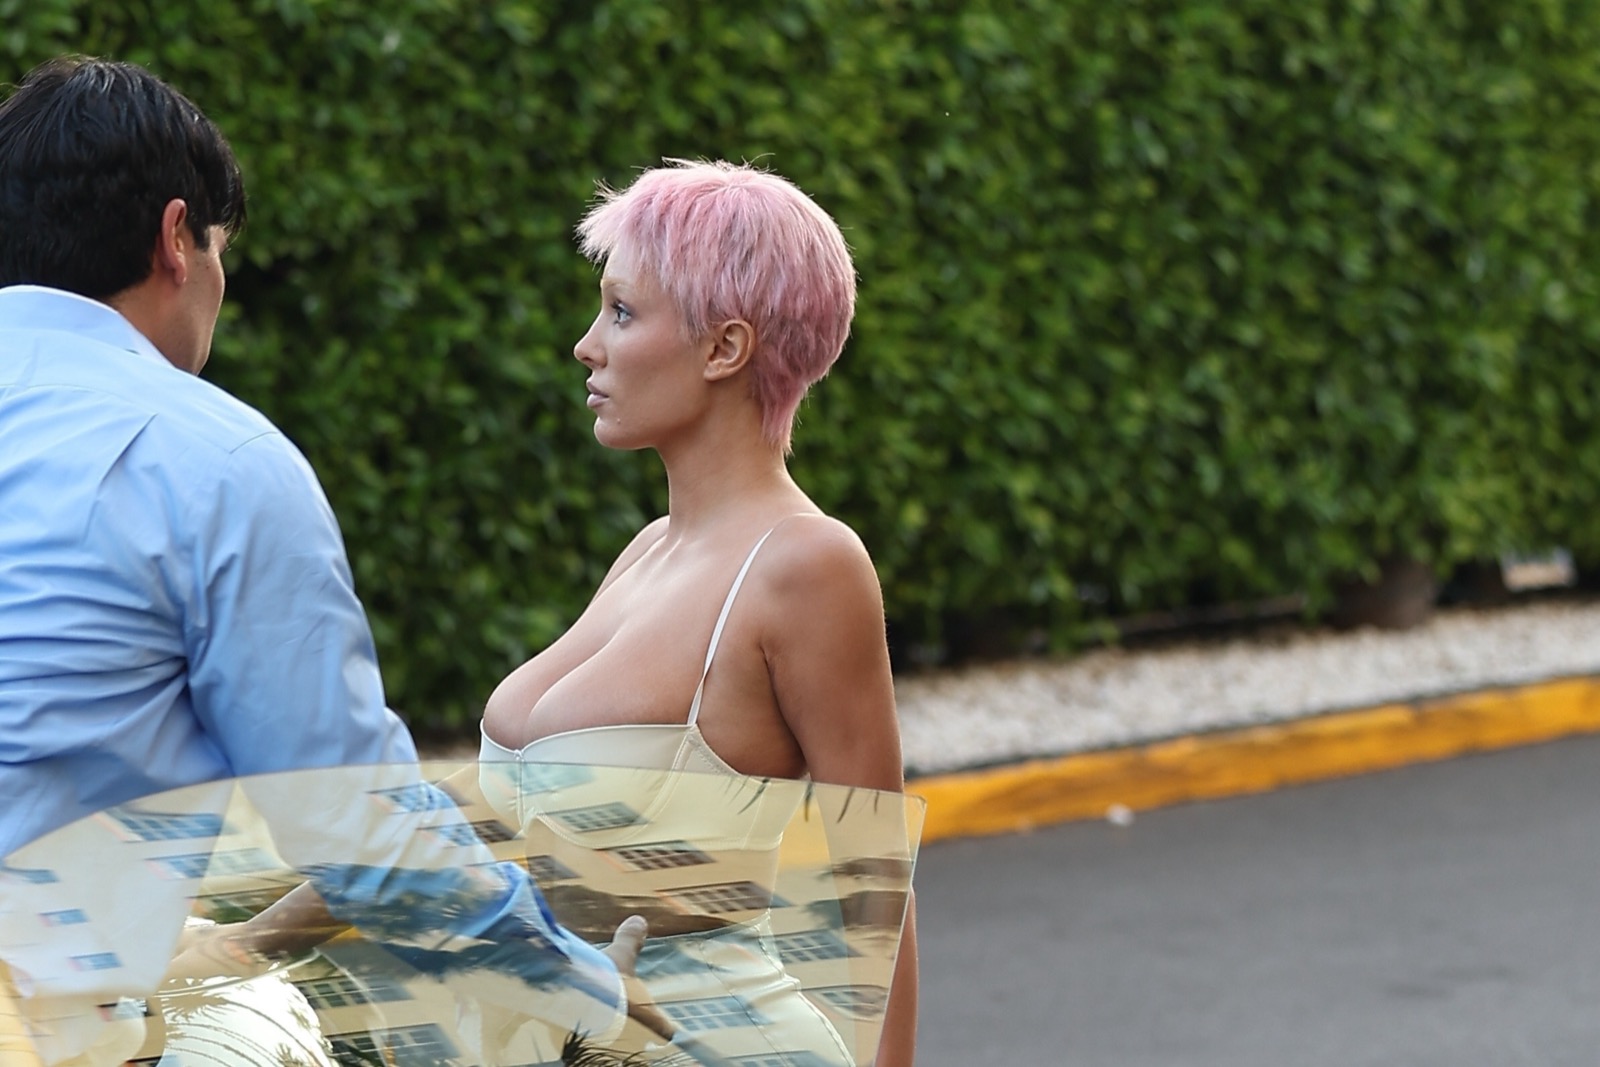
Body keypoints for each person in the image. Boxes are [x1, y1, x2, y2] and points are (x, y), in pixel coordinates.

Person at [0, 56, 667, 1066]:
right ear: (177, 239)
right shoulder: (214, 460)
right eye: (221, 251)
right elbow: (359, 837)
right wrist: (581, 986)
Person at [481, 159, 919, 1066]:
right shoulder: (650, 549)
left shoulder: (808, 565)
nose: (586, 345)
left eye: (622, 311)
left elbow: (873, 889)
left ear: (725, 348)